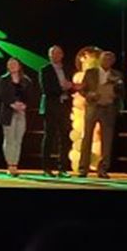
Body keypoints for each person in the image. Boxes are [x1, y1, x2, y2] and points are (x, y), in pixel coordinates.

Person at [77, 50, 120, 179]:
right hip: (93, 107)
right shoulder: (90, 72)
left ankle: (103, 169)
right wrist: (89, 94)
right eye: (104, 59)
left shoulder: (117, 75)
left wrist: (115, 94)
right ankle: (83, 168)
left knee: (107, 140)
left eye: (109, 59)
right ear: (100, 60)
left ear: (113, 61)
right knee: (87, 137)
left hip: (108, 109)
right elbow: (82, 90)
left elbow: (122, 92)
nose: (106, 61)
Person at [39, 45, 77, 177]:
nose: (55, 56)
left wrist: (71, 87)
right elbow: (46, 89)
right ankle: (46, 168)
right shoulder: (45, 70)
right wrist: (63, 88)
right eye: (52, 54)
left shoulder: (67, 69)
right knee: (49, 136)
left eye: (58, 53)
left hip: (64, 106)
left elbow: (72, 87)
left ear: (62, 55)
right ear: (49, 56)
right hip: (51, 107)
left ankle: (62, 168)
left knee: (64, 137)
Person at [0, 57, 39, 177]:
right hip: (8, 112)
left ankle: (15, 164)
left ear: (19, 66)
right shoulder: (3, 79)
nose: (12, 66)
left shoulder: (26, 80)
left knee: (18, 139)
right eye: (10, 64)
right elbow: (2, 95)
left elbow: (31, 96)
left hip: (21, 112)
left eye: (14, 64)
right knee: (9, 139)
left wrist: (24, 105)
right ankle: (10, 164)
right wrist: (12, 104)